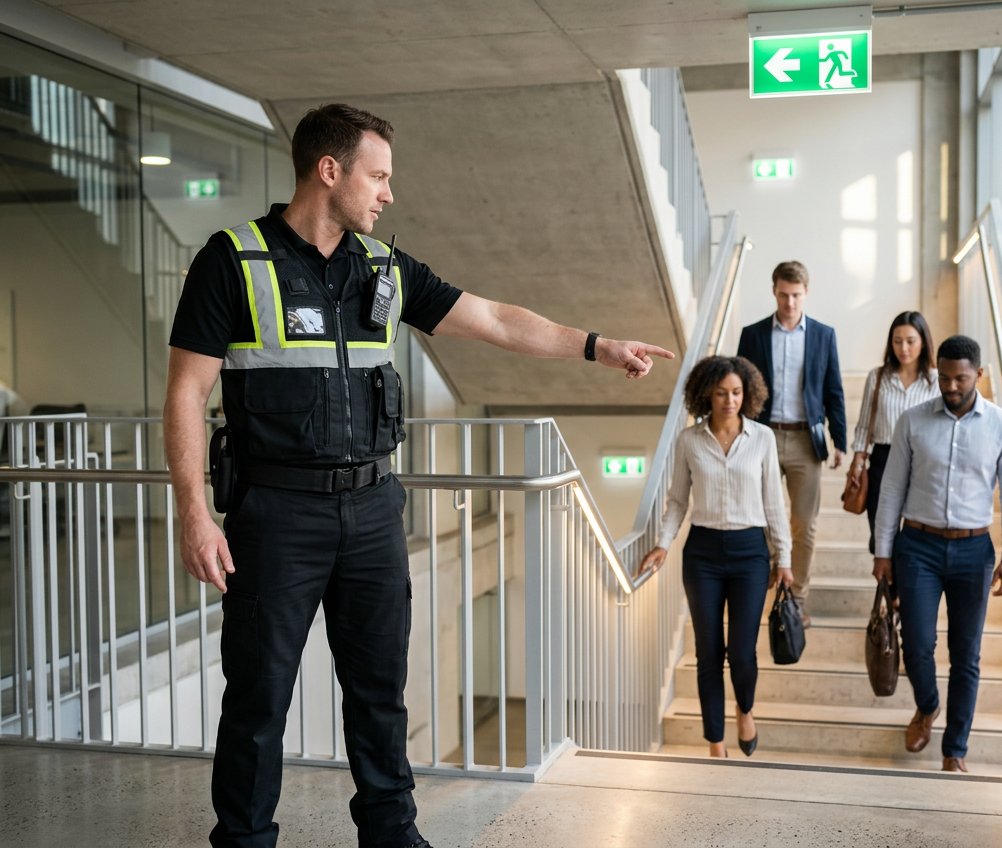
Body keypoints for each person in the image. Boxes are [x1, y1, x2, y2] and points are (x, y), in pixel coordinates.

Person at [164, 103, 674, 848]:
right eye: (378, 176)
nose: (388, 194)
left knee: (379, 694)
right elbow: (185, 392)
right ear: (328, 171)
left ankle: (392, 835)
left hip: (372, 509)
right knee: (259, 698)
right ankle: (243, 840)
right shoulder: (234, 260)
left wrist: (596, 345)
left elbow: (497, 319)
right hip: (275, 514)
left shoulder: (384, 267)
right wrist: (193, 512)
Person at [871, 334, 1002, 773]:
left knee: (967, 654)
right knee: (917, 643)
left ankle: (954, 749)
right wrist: (883, 551)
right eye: (944, 378)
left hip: (973, 550)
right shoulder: (913, 420)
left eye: (961, 378)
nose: (952, 386)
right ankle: (928, 705)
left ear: (978, 374)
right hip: (917, 546)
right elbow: (891, 491)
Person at [637, 356, 792, 760]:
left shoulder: (762, 439)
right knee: (708, 652)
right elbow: (677, 500)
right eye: (721, 392)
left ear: (748, 394)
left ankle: (745, 709)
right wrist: (663, 543)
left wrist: (784, 557)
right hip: (702, 554)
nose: (729, 400)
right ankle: (715, 744)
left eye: (737, 392)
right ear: (707, 392)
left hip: (750, 554)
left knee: (741, 651)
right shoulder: (689, 440)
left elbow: (774, 502)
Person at [737, 260, 846, 623]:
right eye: (783, 295)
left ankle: (796, 599)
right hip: (761, 438)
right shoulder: (752, 335)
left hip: (804, 440)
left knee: (804, 523)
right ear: (774, 291)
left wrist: (840, 440)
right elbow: (741, 389)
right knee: (759, 519)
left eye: (796, 295)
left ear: (806, 293)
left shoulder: (823, 335)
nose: (789, 303)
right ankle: (767, 584)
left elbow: (834, 390)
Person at [848, 311, 939, 554]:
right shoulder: (878, 377)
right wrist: (858, 463)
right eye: (897, 341)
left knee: (914, 535)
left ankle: (906, 590)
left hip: (922, 461)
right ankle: (892, 592)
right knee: (881, 534)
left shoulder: (937, 380)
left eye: (911, 341)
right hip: (883, 459)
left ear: (923, 342)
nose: (904, 348)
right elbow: (865, 424)